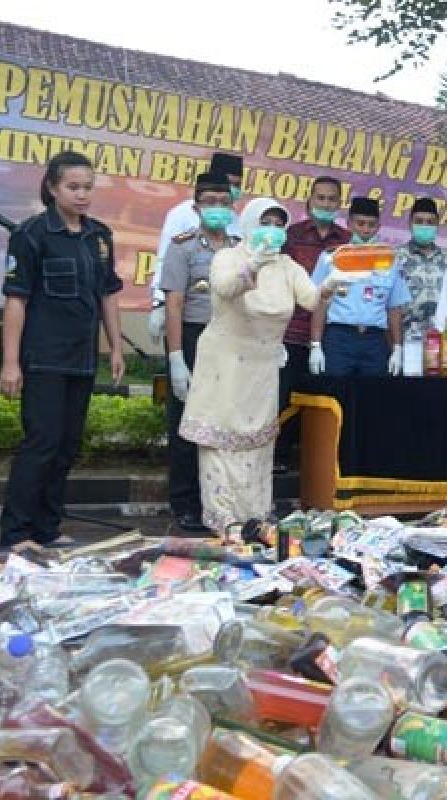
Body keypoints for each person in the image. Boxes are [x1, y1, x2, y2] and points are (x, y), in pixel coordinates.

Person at [0, 150, 124, 548]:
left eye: (88, 187)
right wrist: (10, 363)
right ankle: (16, 532)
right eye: (73, 187)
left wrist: (116, 349)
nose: (82, 194)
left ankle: (47, 530)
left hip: (82, 359)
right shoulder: (32, 234)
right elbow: (16, 300)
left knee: (67, 446)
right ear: (52, 188)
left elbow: (108, 296)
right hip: (42, 358)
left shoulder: (99, 236)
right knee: (41, 442)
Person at [179, 198, 323, 531]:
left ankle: (254, 518)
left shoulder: (287, 265)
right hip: (225, 363)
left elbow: (310, 299)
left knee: (257, 442)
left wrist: (331, 285)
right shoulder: (227, 257)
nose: (271, 231)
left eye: (277, 225)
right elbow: (226, 288)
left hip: (262, 367)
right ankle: (224, 519)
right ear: (248, 225)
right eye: (264, 223)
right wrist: (253, 266)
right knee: (220, 438)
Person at [159, 173, 237, 533]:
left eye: (223, 202)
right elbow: (174, 304)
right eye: (210, 202)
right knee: (187, 425)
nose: (217, 209)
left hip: (228, 342)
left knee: (222, 423)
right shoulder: (183, 246)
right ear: (196, 207)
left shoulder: (239, 248)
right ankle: (185, 503)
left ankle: (217, 500)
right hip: (191, 338)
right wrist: (176, 357)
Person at [276, 176, 350, 469]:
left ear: (339, 204)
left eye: (332, 199)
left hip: (329, 333)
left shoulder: (345, 242)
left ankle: (314, 458)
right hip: (292, 330)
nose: (326, 204)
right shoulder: (290, 236)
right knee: (286, 395)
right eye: (321, 198)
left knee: (321, 398)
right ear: (309, 200)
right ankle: (280, 456)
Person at [147, 153, 243, 346]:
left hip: (222, 317)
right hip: (186, 310)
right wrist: (159, 303)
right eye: (229, 182)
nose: (233, 189)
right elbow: (165, 259)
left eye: (237, 185)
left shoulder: (234, 218)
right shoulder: (181, 213)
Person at [309, 197, 411, 377]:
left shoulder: (389, 260)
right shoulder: (332, 257)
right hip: (339, 338)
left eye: (371, 225)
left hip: (375, 340)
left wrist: (397, 348)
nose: (365, 230)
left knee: (373, 399)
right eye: (360, 223)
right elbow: (320, 303)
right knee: (336, 396)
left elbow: (394, 308)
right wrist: (316, 345)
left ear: (378, 227)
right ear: (349, 224)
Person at [396, 196, 447, 331]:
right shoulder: (396, 257)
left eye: (430, 222)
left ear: (437, 225)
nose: (424, 226)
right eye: (419, 221)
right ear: (410, 224)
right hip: (406, 336)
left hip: (442, 338)